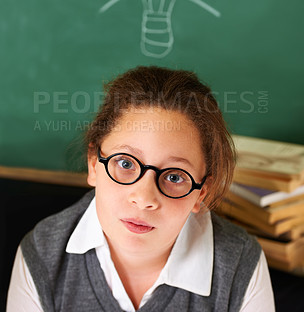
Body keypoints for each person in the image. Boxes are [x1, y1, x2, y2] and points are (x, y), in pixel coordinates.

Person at [7, 66, 275, 311]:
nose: (144, 198)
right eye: (125, 163)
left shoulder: (241, 265)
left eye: (174, 177)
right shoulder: (42, 255)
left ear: (201, 192)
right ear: (93, 165)